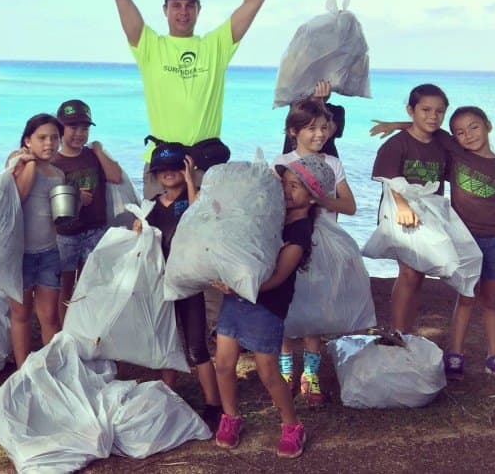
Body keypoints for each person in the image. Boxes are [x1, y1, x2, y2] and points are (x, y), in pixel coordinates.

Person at [372, 106, 495, 379]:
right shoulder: (456, 154)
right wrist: (395, 125)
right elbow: (425, 127)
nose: (467, 135)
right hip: (465, 240)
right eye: (459, 132)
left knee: (490, 301)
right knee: (466, 297)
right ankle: (455, 355)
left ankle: (494, 357)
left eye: (474, 127)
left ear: (488, 125)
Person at [213, 155, 334, 458]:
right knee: (225, 363)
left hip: (267, 304)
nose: (287, 191)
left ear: (313, 196)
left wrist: (242, 285)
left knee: (267, 371)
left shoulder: (300, 231)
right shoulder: (272, 213)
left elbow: (279, 276)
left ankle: (292, 425)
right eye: (286, 183)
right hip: (236, 298)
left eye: (296, 186)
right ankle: (230, 417)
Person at [113, 0, 264, 199]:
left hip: (205, 165)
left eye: (189, 5)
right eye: (176, 5)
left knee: (206, 236)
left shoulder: (216, 45)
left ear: (198, 10)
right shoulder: (149, 45)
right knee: (158, 236)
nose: (183, 12)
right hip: (163, 165)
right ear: (165, 10)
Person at [272, 97, 356, 405]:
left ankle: (311, 372)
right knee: (286, 305)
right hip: (290, 239)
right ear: (293, 131)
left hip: (321, 243)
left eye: (324, 128)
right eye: (311, 129)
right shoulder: (281, 163)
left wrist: (319, 200)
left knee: (316, 308)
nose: (320, 134)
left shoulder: (332, 164)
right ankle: (284, 370)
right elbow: (272, 204)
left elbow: (349, 206)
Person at [140, 142, 222, 430]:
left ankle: (214, 404)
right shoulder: (152, 206)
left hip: (188, 284)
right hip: (162, 284)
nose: (169, 174)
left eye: (176, 168)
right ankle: (168, 395)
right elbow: (143, 238)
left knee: (197, 346)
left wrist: (190, 181)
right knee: (167, 340)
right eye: (163, 170)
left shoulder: (192, 200)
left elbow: (201, 217)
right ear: (156, 175)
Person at [370, 84, 451, 333]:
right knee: (408, 273)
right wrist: (403, 207)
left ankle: (406, 331)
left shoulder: (442, 142)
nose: (432, 116)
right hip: (399, 211)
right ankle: (396, 331)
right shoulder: (396, 145)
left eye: (439, 111)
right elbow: (388, 179)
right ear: (411, 110)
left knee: (419, 275)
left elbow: (467, 153)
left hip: (430, 214)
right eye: (425, 110)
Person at [51, 99, 123, 325]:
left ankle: (86, 326)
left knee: (91, 283)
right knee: (65, 285)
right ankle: (66, 330)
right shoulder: (54, 161)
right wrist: (74, 196)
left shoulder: (93, 155)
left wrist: (100, 151)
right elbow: (47, 198)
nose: (79, 134)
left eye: (84, 129)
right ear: (60, 129)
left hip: (95, 230)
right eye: (73, 128)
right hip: (65, 234)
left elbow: (115, 176)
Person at [7, 113, 65, 367]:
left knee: (50, 315)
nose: (49, 143)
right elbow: (18, 195)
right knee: (20, 313)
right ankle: (23, 370)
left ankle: (50, 369)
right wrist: (29, 163)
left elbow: (54, 217)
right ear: (28, 140)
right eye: (42, 138)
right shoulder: (16, 162)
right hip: (19, 254)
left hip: (49, 252)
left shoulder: (57, 174)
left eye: (54, 138)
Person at [281, 80, 345, 157]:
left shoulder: (336, 111)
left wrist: (320, 103)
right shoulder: (297, 109)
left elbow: (329, 132)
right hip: (293, 162)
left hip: (326, 163)